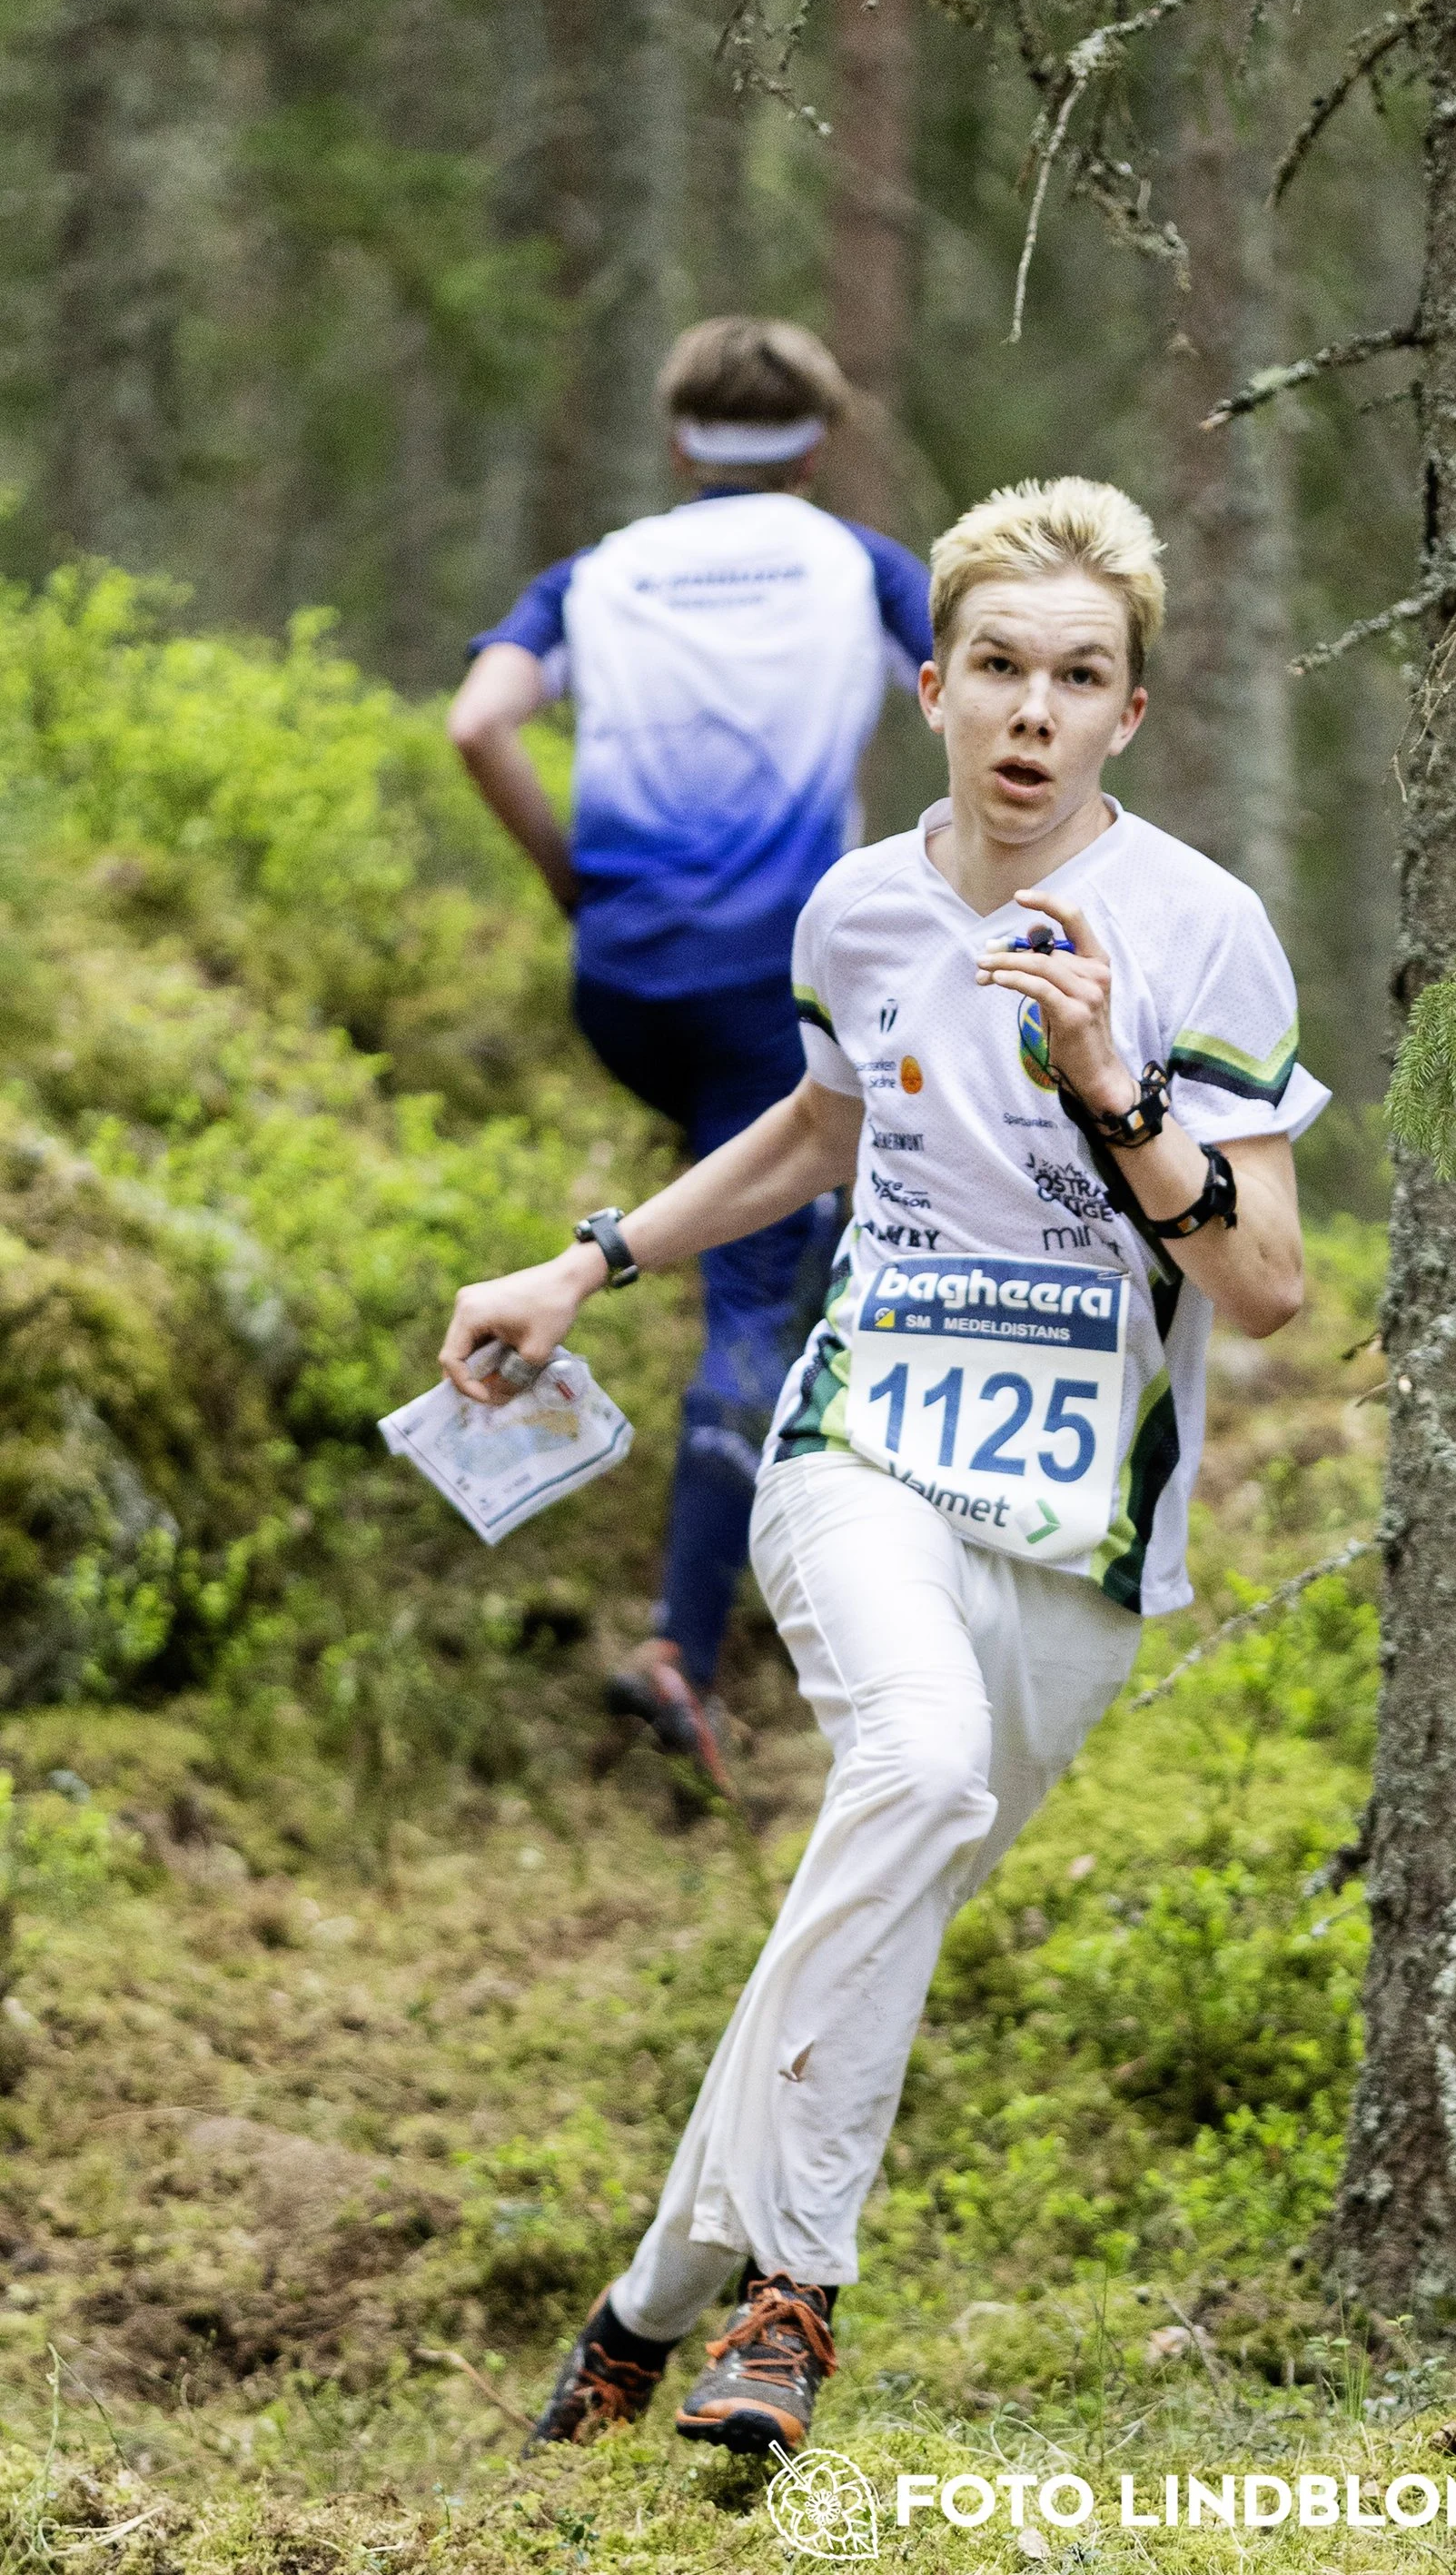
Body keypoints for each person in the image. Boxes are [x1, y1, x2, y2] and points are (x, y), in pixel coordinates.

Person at [439, 475, 1326, 2459]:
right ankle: (790, 2302)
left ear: (1128, 714)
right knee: (911, 1771)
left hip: (1087, 1517)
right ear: (928, 684)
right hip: (868, 1442)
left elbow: (1263, 1289)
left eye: (1075, 676)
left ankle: (643, 2303)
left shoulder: (1200, 930)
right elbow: (812, 1133)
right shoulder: (854, 905)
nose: (1029, 710)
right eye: (996, 665)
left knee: (875, 1899)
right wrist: (586, 1260)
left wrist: (1112, 1082)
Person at [450, 319, 931, 1789]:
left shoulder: (597, 571)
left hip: (627, 980)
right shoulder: (859, 565)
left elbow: (479, 722)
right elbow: (974, 688)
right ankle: (684, 1646)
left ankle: (769, 1499)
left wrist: (573, 886)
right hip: (769, 979)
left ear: (676, 442)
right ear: (820, 438)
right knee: (758, 1285)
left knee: (785, 1219)